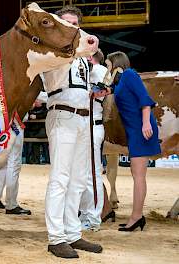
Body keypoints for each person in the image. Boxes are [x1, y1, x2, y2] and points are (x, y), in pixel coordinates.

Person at [43, 6, 104, 258]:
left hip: (83, 119)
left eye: (74, 24)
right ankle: (56, 237)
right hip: (62, 114)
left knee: (78, 180)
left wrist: (97, 91)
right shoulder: (52, 52)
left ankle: (72, 232)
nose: (71, 27)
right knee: (60, 178)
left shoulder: (82, 60)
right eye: (66, 23)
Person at [105, 51, 161, 232]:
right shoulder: (121, 81)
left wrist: (146, 123)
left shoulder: (130, 74)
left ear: (116, 63)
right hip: (134, 129)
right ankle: (137, 216)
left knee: (138, 175)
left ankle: (136, 217)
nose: (107, 69)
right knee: (136, 173)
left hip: (141, 129)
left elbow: (145, 100)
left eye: (108, 64)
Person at [78, 49, 108, 231]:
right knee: (81, 174)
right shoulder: (82, 71)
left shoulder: (100, 71)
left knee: (92, 174)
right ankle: (84, 212)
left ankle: (94, 218)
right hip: (81, 126)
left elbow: (101, 92)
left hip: (93, 125)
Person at [0, 114, 31, 215]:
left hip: (2, 125)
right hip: (15, 124)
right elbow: (38, 101)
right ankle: (11, 204)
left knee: (6, 162)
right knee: (14, 164)